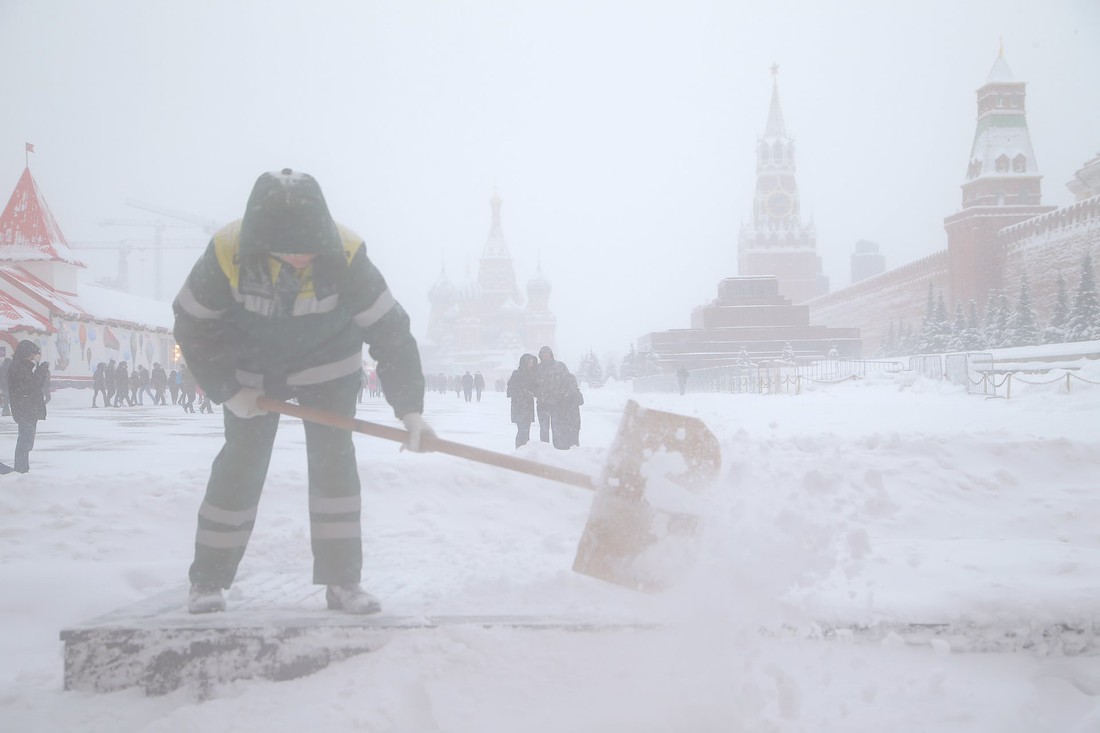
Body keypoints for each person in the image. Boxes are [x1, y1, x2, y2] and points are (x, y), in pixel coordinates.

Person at [173, 168, 434, 616]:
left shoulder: (348, 254)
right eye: (290, 249)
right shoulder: (227, 251)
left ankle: (342, 582)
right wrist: (227, 390)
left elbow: (391, 333)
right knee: (241, 464)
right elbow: (193, 324)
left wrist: (409, 409)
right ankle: (208, 581)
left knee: (335, 467)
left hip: (328, 367)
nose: (301, 257)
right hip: (249, 371)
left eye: (309, 248)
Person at [7, 340, 48, 473]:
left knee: (28, 442)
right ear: (25, 353)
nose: (33, 357)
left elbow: (34, 386)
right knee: (25, 442)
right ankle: (21, 469)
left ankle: (23, 468)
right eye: (32, 354)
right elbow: (28, 387)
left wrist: (40, 374)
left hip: (29, 409)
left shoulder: (25, 367)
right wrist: (40, 373)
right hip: (24, 409)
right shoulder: (18, 367)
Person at [534, 346, 570, 446]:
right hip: (542, 403)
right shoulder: (537, 368)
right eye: (543, 354)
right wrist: (538, 393)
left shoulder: (560, 366)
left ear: (551, 354)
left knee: (557, 428)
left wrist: (563, 394)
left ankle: (557, 448)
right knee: (544, 429)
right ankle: (545, 448)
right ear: (540, 356)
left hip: (557, 403)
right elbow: (532, 384)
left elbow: (567, 381)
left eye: (547, 353)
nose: (545, 355)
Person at [506, 353, 537, 448]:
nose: (530, 365)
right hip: (519, 407)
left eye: (532, 363)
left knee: (526, 431)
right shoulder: (517, 374)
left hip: (528, 407)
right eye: (529, 363)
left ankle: (524, 450)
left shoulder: (532, 374)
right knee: (522, 430)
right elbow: (510, 390)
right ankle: (520, 449)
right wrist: (524, 392)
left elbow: (535, 389)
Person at [554, 371, 584, 449]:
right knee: (573, 443)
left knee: (566, 443)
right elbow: (580, 401)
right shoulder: (574, 392)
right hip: (571, 421)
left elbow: (580, 401)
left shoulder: (561, 392)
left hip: (566, 422)